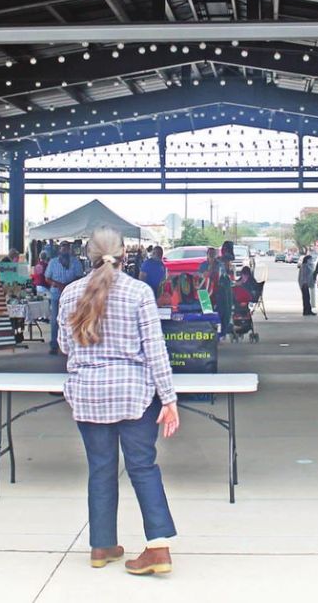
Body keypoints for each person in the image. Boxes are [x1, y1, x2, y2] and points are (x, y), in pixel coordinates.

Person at [58, 228, 179, 575]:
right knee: (143, 467)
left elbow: (65, 346)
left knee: (100, 468)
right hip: (134, 394)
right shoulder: (139, 292)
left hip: (88, 394)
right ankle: (157, 550)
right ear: (125, 255)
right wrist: (168, 398)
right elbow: (156, 351)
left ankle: (101, 546)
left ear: (88, 256)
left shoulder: (69, 294)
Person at [45, 241, 84, 355]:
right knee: (54, 321)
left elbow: (79, 277)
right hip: (56, 295)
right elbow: (47, 278)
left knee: (73, 319)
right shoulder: (53, 262)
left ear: (69, 249)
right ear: (59, 249)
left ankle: (73, 344)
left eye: (67, 247)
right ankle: (54, 345)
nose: (65, 250)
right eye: (63, 247)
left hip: (72, 295)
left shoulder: (75, 262)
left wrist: (67, 285)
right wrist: (58, 284)